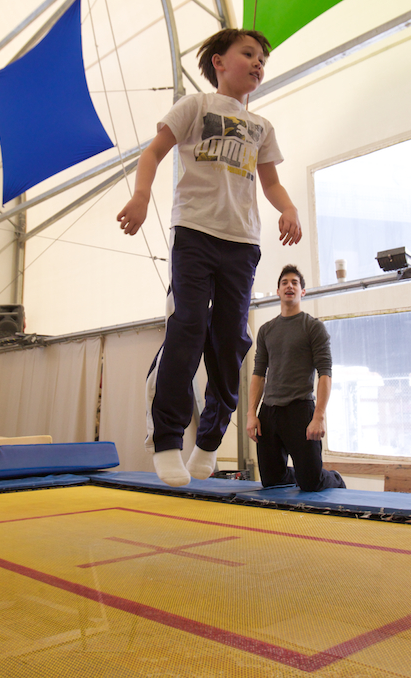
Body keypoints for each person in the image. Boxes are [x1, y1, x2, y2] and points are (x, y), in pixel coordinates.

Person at [117, 29, 302, 487]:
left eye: (263, 59)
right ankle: (166, 440)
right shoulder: (195, 106)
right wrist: (141, 196)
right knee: (186, 328)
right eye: (248, 54)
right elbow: (153, 153)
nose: (258, 63)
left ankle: (209, 440)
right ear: (218, 62)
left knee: (230, 341)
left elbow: (270, 182)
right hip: (195, 233)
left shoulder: (261, 126)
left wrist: (289, 209)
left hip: (242, 241)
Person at [247, 265, 346, 491]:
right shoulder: (266, 330)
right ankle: (299, 474)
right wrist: (251, 414)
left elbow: (325, 373)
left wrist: (319, 416)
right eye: (284, 283)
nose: (289, 286)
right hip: (269, 412)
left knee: (311, 483)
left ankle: (335, 479)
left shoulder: (313, 327)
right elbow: (259, 374)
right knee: (271, 481)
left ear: (302, 291)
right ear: (278, 291)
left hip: (300, 410)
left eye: (295, 283)